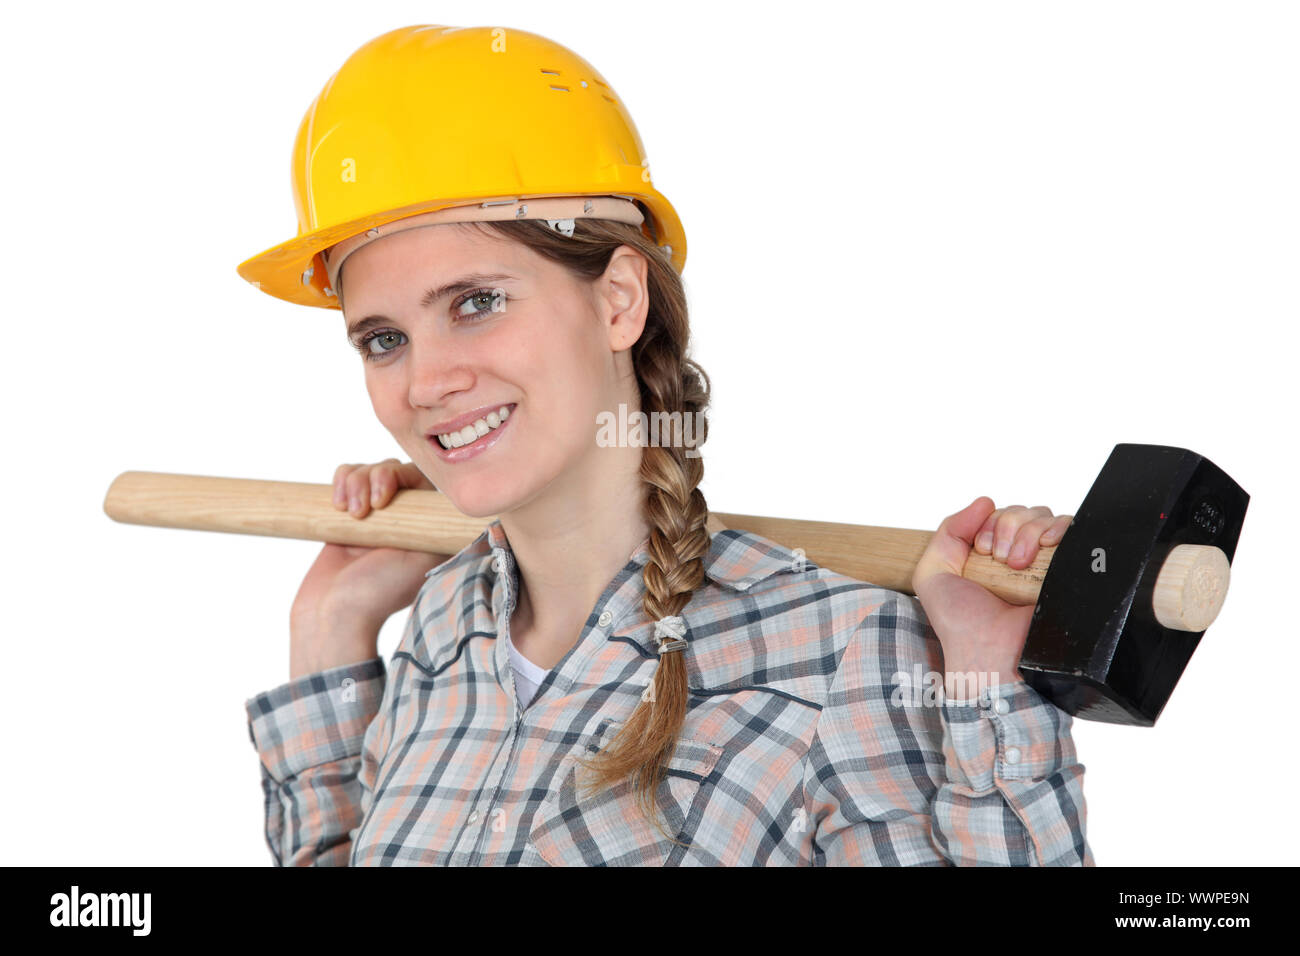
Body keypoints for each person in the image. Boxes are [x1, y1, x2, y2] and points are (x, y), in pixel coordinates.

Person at [239, 23, 1093, 866]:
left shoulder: (842, 653)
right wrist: (328, 634)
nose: (425, 382)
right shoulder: (441, 628)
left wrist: (988, 682)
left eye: (475, 303)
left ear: (618, 299)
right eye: (383, 339)